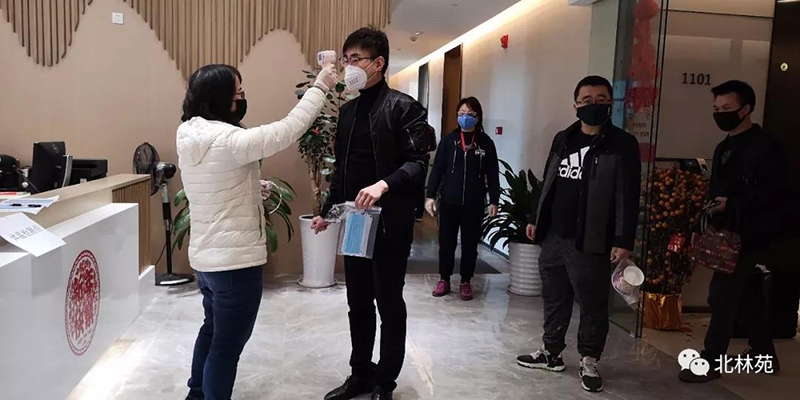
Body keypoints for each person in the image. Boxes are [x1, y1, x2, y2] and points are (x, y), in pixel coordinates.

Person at [177, 63, 338, 400]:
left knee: (212, 331)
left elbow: (214, 184)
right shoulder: (230, 140)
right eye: (237, 93)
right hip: (235, 264)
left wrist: (252, 186)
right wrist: (321, 85)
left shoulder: (190, 135)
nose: (242, 98)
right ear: (219, 98)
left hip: (206, 261)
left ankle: (196, 394)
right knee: (226, 346)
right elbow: (288, 129)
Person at [311, 27, 434, 400]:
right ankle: (360, 374)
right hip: (356, 222)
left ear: (378, 63)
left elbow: (418, 163)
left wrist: (384, 184)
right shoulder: (348, 111)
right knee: (358, 302)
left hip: (390, 223)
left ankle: (385, 382)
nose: (349, 67)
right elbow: (342, 171)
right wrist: (328, 212)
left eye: (356, 59)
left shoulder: (403, 107)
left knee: (389, 302)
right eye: (346, 59)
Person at [515, 76, 641, 393]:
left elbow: (628, 195)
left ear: (610, 103)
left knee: (591, 302)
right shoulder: (564, 138)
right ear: (575, 105)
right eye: (586, 100)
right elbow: (548, 181)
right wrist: (535, 218)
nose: (593, 105)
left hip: (591, 237)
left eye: (600, 99)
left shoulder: (622, 144)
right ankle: (552, 352)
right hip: (554, 235)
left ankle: (589, 359)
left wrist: (623, 239)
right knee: (554, 298)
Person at [679, 80, 783, 383]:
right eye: (716, 108)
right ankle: (765, 354)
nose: (720, 114)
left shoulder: (766, 146)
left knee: (721, 296)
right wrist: (704, 225)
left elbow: (776, 193)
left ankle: (710, 361)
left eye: (727, 108)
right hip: (725, 234)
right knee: (747, 295)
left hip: (751, 234)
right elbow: (715, 192)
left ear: (746, 109)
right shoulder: (723, 146)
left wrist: (734, 204)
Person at [425, 97, 500, 300]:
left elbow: (492, 172)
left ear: (478, 117)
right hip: (449, 201)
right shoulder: (449, 141)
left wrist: (494, 199)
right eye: (461, 114)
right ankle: (444, 279)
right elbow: (437, 170)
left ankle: (466, 281)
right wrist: (430, 195)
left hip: (474, 203)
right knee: (446, 244)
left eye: (470, 114)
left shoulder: (485, 143)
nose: (465, 117)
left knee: (470, 245)